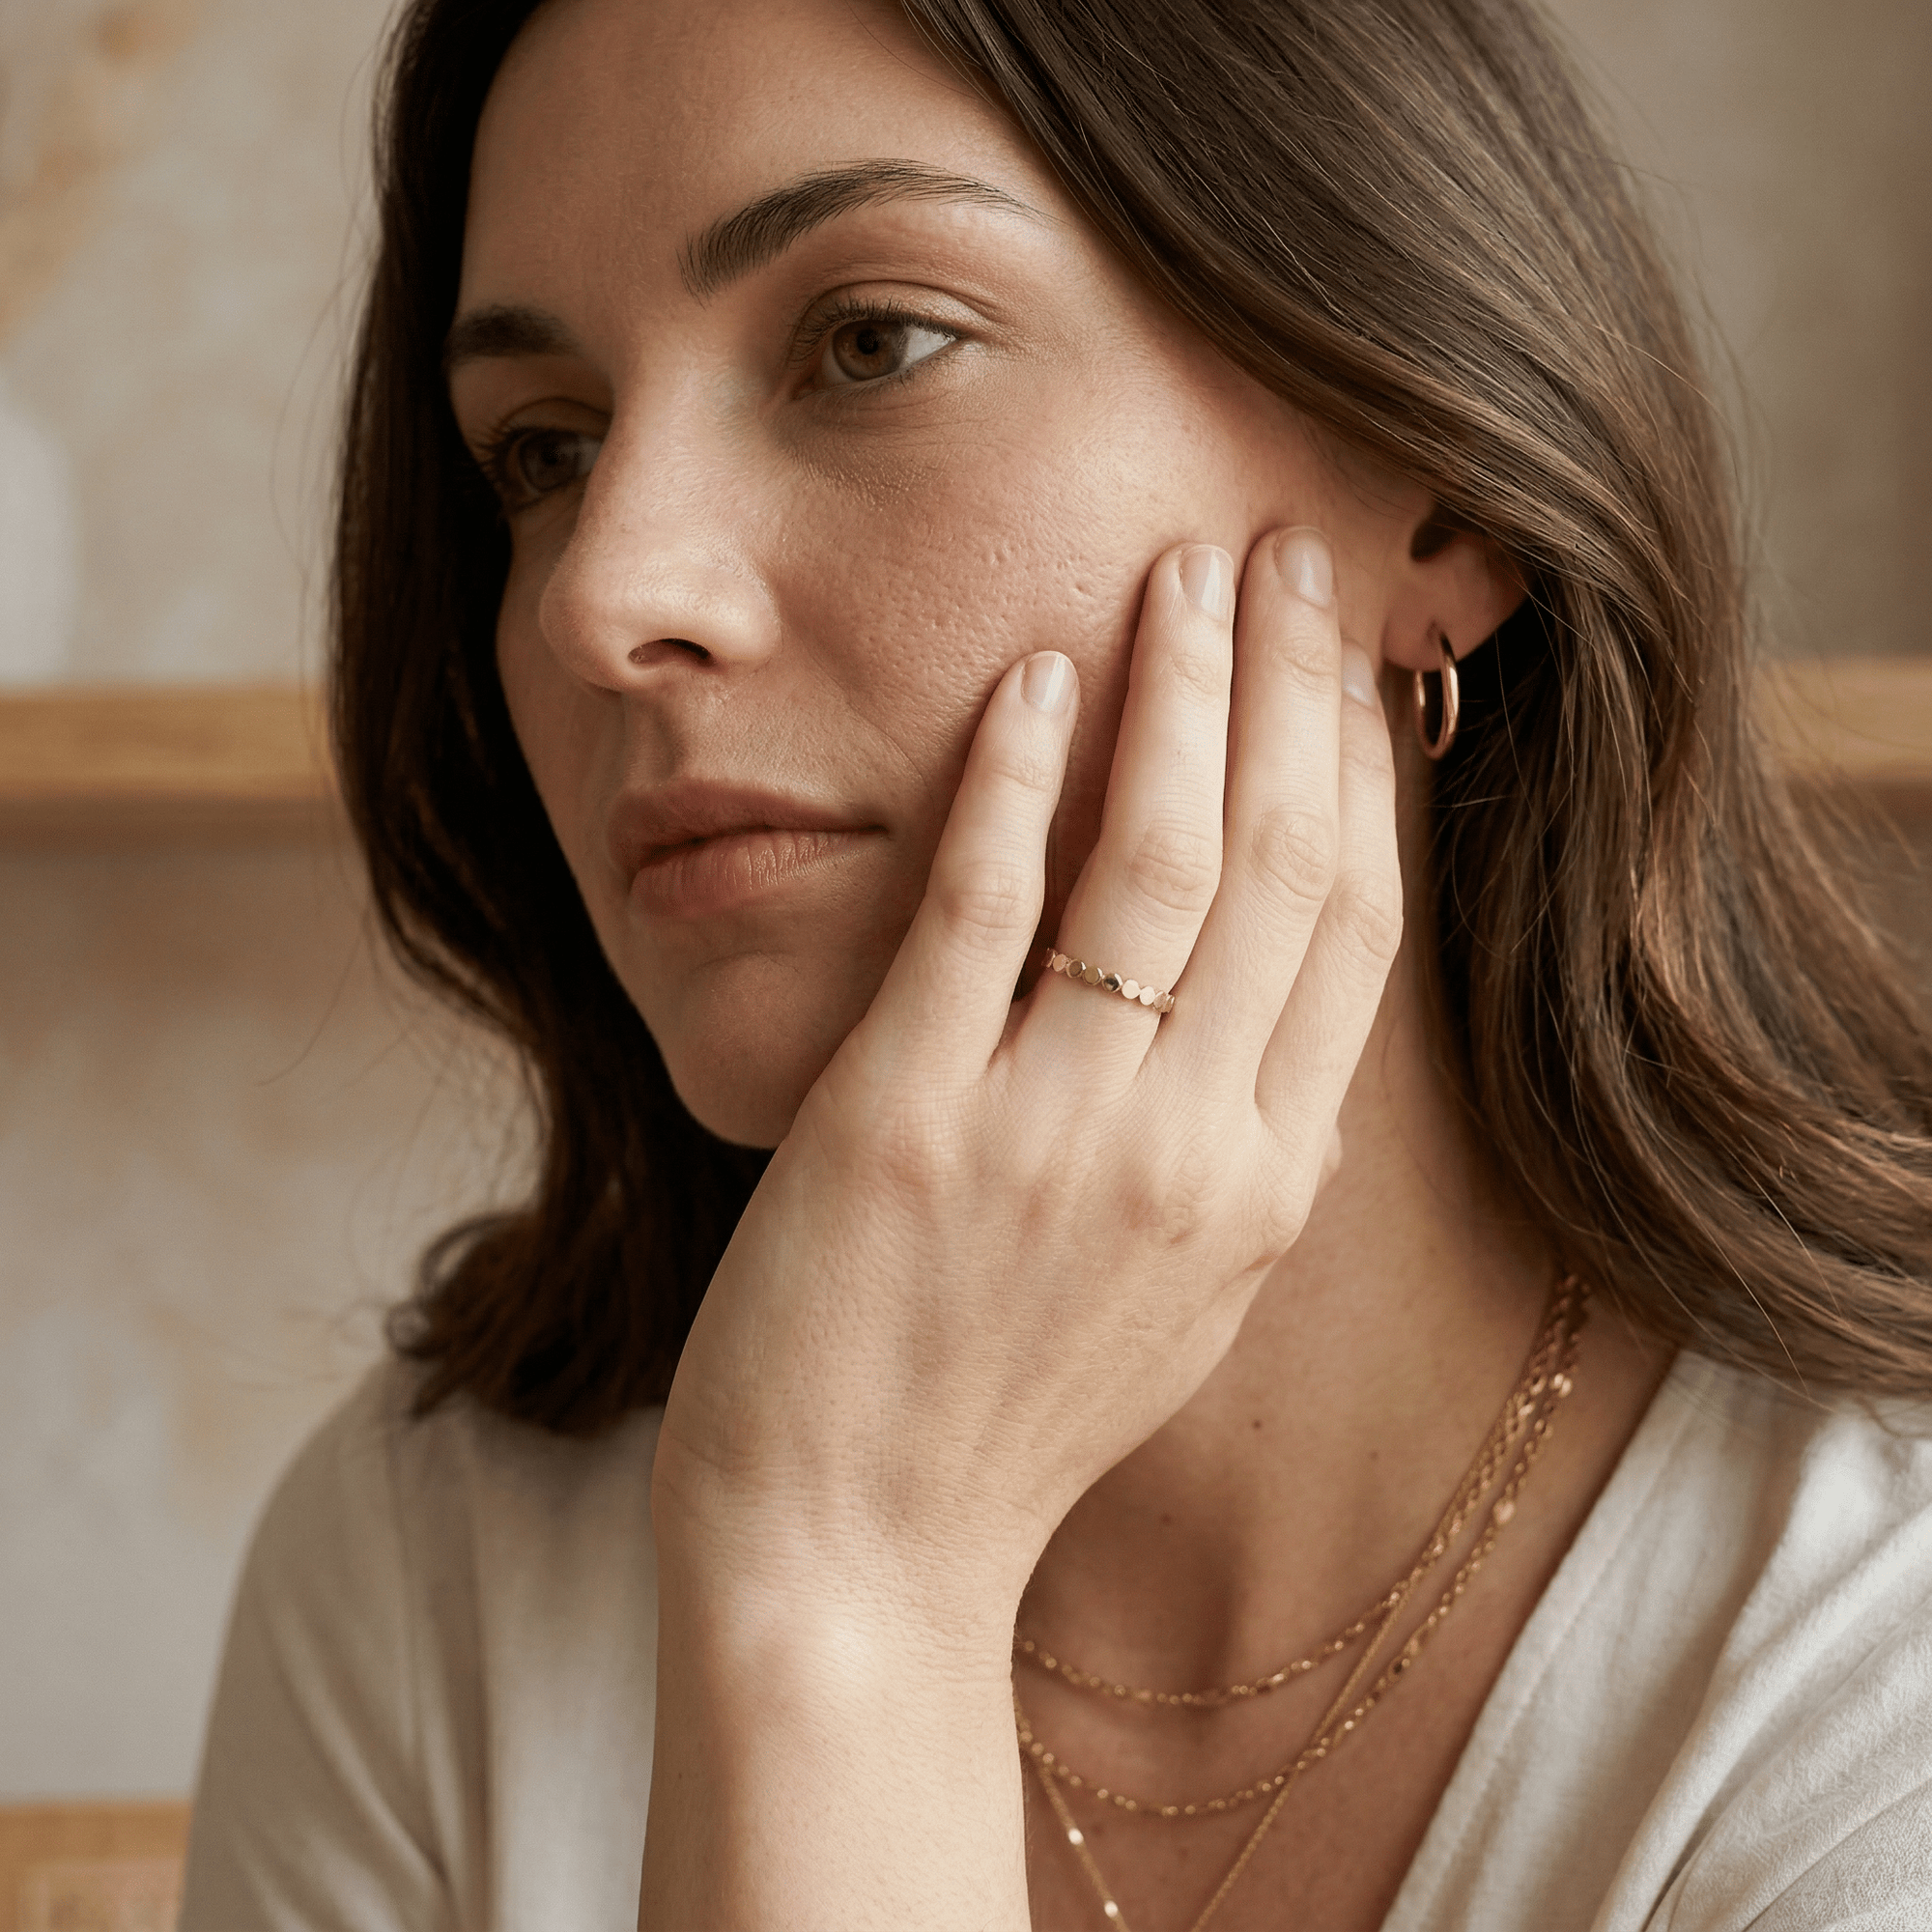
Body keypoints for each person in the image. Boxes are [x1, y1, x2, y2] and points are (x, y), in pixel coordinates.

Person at [180, 0, 1932, 1926]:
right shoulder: (423, 1587)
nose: (605, 589)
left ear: (1442, 482)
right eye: (543, 449)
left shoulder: (1879, 1658)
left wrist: (855, 1577)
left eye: (871, 342)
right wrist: (844, 1573)